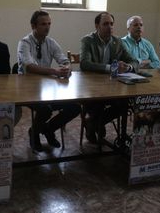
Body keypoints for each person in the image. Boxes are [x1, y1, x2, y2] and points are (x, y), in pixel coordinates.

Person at [17, 10, 80, 151]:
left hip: (47, 89)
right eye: (43, 24)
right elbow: (30, 66)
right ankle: (34, 133)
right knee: (45, 110)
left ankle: (48, 129)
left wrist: (66, 68)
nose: (47, 27)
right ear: (33, 25)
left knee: (75, 107)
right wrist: (54, 71)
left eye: (49, 23)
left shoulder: (51, 42)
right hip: (27, 89)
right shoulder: (24, 43)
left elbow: (64, 60)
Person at [80, 12, 137, 143]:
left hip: (111, 87)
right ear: (97, 26)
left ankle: (93, 123)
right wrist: (111, 68)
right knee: (98, 105)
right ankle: (95, 123)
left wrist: (128, 67)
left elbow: (133, 61)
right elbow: (85, 64)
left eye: (111, 24)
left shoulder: (117, 42)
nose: (110, 27)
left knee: (123, 104)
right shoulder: (87, 40)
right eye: (105, 24)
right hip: (90, 87)